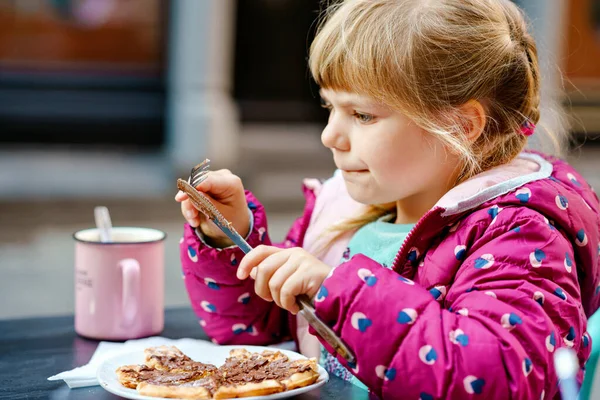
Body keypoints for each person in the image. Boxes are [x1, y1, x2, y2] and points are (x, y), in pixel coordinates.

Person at [175, 0, 600, 398]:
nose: (329, 136)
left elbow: (502, 378)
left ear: (461, 125)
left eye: (362, 115)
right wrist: (231, 237)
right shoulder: (347, 210)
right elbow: (258, 332)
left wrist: (337, 290)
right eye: (330, 107)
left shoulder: (521, 236)